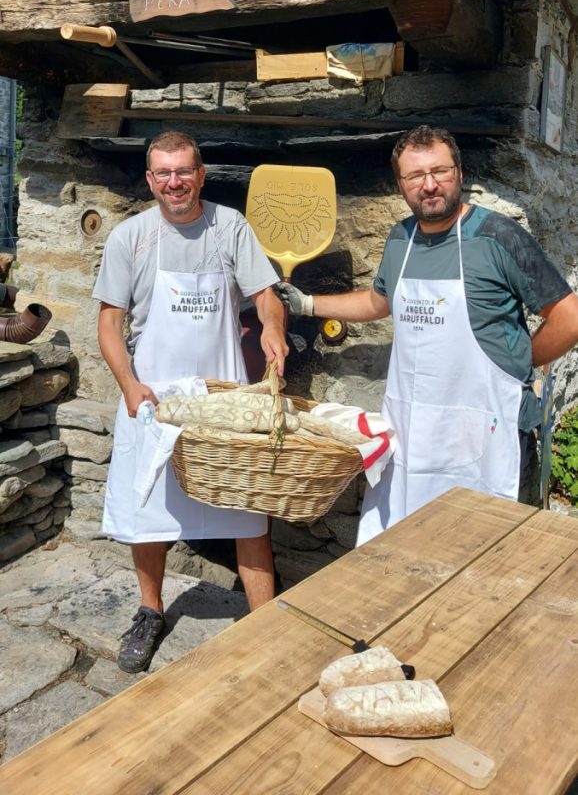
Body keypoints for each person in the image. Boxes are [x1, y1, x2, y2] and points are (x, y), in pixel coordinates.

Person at [277, 125, 578, 544]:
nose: (430, 185)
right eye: (416, 176)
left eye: (440, 171)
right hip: (414, 431)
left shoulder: (497, 237)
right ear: (400, 184)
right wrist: (308, 304)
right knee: (409, 544)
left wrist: (519, 363)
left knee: (488, 548)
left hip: (487, 430)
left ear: (459, 172)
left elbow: (568, 317)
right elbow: (379, 302)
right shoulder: (401, 237)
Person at [93, 131, 288, 672]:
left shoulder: (230, 227)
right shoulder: (130, 238)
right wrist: (129, 385)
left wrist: (274, 328)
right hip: (153, 400)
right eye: (163, 173)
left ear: (201, 175)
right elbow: (109, 324)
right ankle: (150, 611)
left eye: (183, 171)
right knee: (147, 512)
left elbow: (266, 296)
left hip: (223, 402)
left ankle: (265, 622)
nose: (174, 182)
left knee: (247, 513)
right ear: (150, 179)